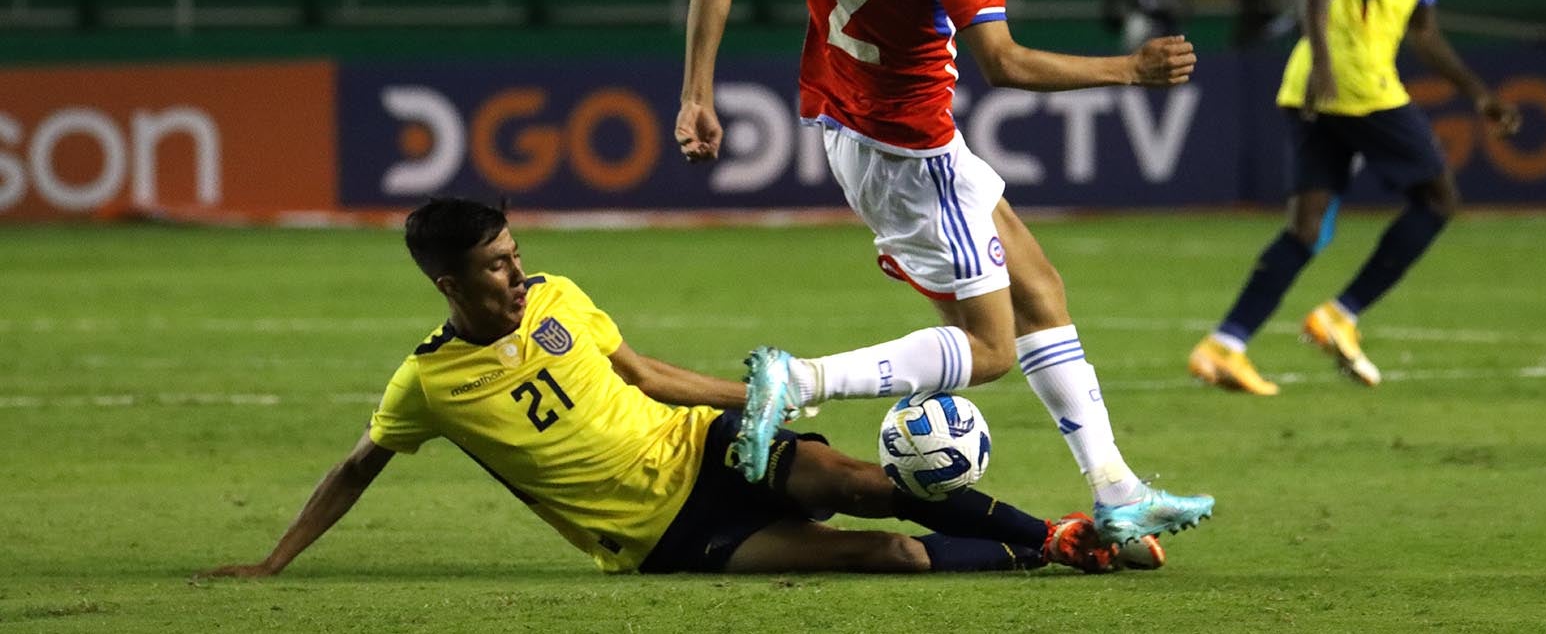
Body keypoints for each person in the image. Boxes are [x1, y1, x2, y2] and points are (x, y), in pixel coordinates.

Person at [674, 0, 1213, 546]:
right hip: (911, 151)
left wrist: (696, 97)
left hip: (850, 131)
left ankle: (1115, 488)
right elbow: (1004, 62)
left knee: (1039, 290)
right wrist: (1128, 71)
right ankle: (798, 378)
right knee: (990, 349)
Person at [198, 197, 1153, 579]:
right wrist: (273, 563)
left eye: (517, 256)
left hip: (700, 441)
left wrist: (764, 401)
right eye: (496, 267)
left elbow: (645, 374)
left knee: (857, 483)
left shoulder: (560, 298)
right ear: (447, 283)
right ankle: (1033, 555)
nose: (518, 275)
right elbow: (358, 466)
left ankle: (1061, 536)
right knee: (889, 558)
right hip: (663, 535)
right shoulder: (427, 384)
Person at [1188, 0, 1522, 395]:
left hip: (1322, 85)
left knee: (1307, 228)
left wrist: (1479, 95)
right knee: (1439, 199)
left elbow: (1424, 30)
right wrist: (1322, 58)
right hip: (1352, 79)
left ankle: (1224, 346)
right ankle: (1339, 315)